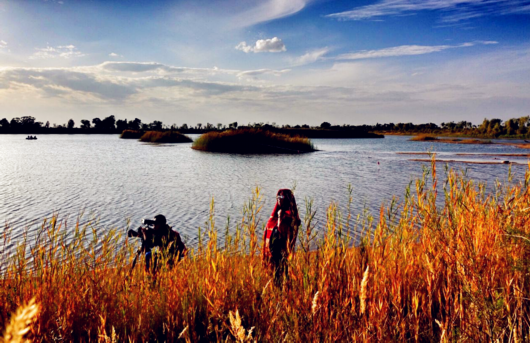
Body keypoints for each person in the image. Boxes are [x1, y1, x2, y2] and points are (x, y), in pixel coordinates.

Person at [262, 189, 301, 286]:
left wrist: (280, 217)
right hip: (273, 252)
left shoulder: (290, 217)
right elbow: (268, 228)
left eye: (282, 197)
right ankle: (278, 292)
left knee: (283, 273)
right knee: (275, 276)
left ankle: (285, 293)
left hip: (282, 252)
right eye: (277, 197)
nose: (279, 200)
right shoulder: (276, 213)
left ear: (287, 199)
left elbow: (282, 231)